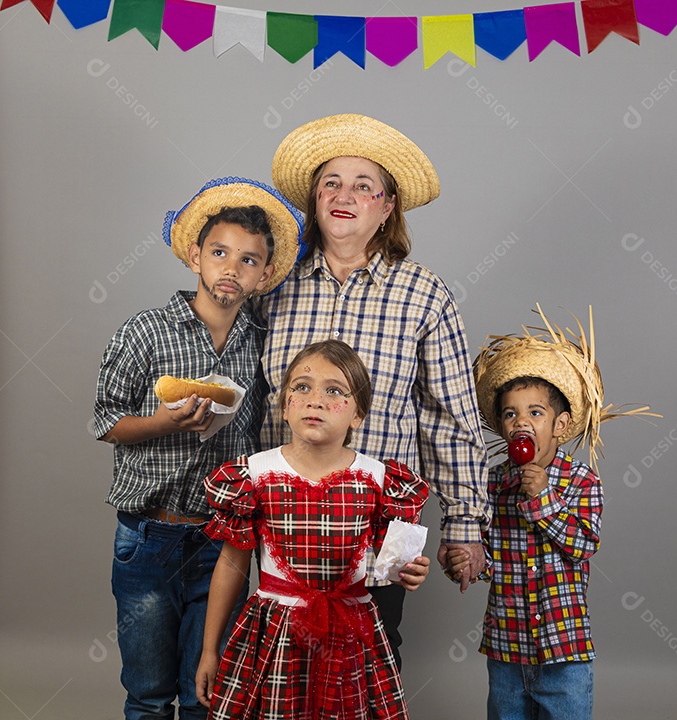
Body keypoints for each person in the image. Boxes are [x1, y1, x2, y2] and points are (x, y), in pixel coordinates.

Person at [254, 113, 491, 668]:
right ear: (314, 199)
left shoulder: (423, 294)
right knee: (284, 654)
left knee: (370, 655)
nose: (345, 195)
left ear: (387, 208)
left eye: (365, 186)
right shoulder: (271, 286)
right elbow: (244, 395)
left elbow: (449, 419)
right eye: (331, 182)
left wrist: (463, 523)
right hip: (281, 509)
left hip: (379, 517)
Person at [93, 177, 303, 720]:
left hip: (221, 541)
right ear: (195, 256)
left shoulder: (260, 347)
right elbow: (107, 422)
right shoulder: (144, 333)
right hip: (147, 535)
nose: (232, 268)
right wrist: (163, 423)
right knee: (148, 693)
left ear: (263, 275)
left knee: (207, 695)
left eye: (249, 260)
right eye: (219, 252)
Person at [194, 339, 431, 719]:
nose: (315, 400)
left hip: (351, 636)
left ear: (357, 414)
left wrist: (411, 570)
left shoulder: (381, 481)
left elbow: (395, 566)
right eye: (301, 387)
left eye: (334, 390)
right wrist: (209, 649)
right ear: (285, 406)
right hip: (276, 633)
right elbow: (232, 565)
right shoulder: (253, 476)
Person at [448, 305, 657, 720]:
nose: (521, 422)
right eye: (510, 414)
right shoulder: (492, 483)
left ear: (560, 425)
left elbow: (583, 545)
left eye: (535, 413)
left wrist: (542, 498)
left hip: (564, 649)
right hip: (506, 647)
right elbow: (491, 561)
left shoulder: (581, 481)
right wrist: (468, 560)